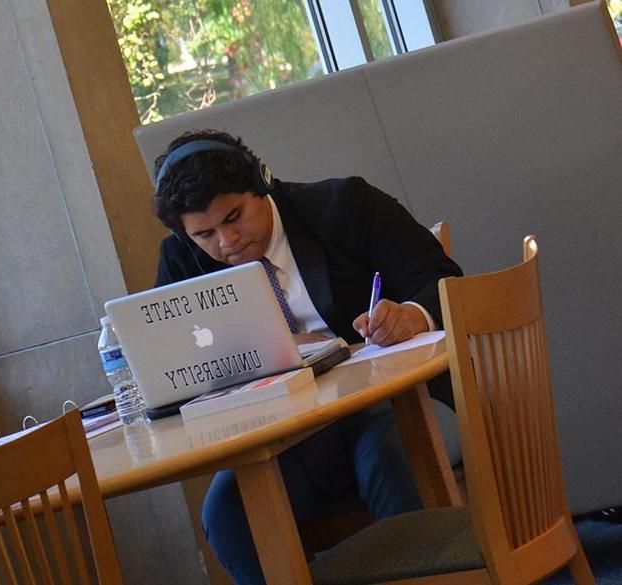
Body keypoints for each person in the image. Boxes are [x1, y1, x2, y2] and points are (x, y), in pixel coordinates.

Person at [152, 129, 463, 585]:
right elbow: (173, 360)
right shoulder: (181, 259)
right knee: (226, 511)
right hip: (290, 438)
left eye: (234, 217)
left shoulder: (345, 206)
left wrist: (413, 315)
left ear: (262, 182)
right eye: (205, 234)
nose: (227, 241)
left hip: (401, 408)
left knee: (388, 454)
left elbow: (443, 279)